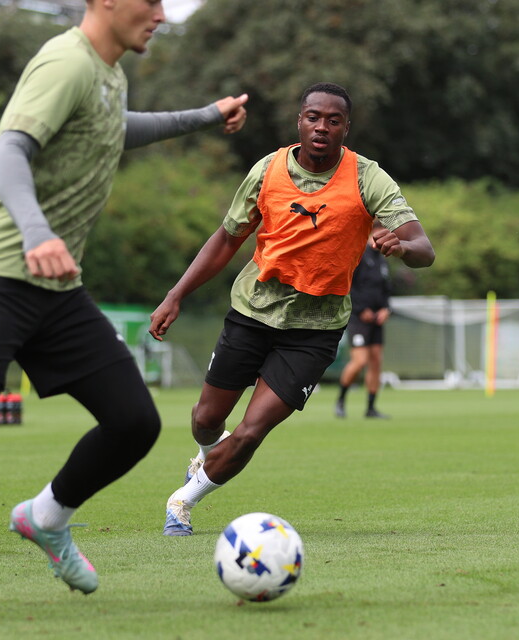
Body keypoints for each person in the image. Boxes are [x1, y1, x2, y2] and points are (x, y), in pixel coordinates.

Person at [0, 0, 248, 632]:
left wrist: (203, 116)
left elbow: (117, 132)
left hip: (53, 292)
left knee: (133, 421)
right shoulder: (65, 61)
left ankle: (47, 516)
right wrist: (35, 232)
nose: (163, 13)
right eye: (151, 0)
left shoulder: (109, 74)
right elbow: (8, 152)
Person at [148, 82, 435, 536]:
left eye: (333, 120)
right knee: (206, 420)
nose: (322, 127)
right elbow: (227, 239)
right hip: (252, 311)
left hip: (314, 332)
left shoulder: (367, 177)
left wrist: (400, 246)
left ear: (346, 128)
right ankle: (207, 458)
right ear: (299, 121)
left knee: (250, 432)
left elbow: (424, 248)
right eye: (313, 117)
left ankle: (183, 500)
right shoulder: (267, 170)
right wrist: (175, 295)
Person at [335, 241, 392, 419]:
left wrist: (386, 309)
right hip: (359, 319)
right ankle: (341, 400)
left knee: (376, 361)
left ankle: (371, 408)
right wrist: (360, 309)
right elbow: (349, 285)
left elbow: (386, 290)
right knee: (360, 361)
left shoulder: (382, 261)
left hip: (377, 319)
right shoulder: (359, 256)